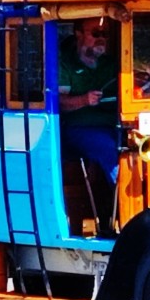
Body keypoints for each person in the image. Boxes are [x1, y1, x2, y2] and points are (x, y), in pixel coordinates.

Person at [58, 17, 119, 183]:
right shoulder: (64, 63)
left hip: (117, 125)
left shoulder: (113, 63)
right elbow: (59, 102)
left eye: (105, 33)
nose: (101, 38)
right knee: (110, 150)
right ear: (78, 34)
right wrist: (84, 100)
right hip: (81, 128)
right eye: (96, 33)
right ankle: (128, 203)